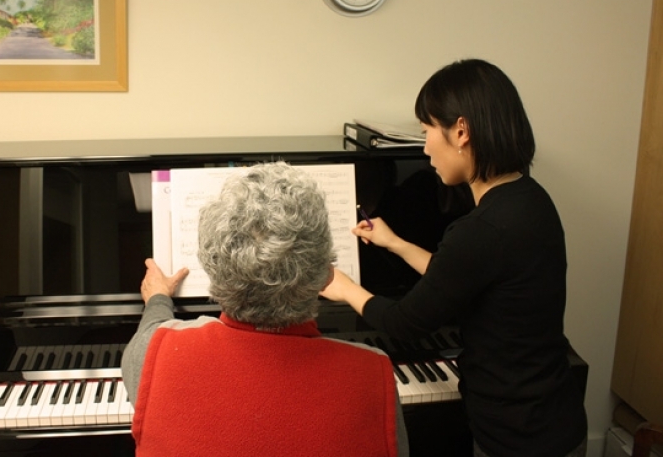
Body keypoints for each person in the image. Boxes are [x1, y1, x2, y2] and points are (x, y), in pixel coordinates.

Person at [321, 59, 588, 457]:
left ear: (461, 131)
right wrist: (396, 243)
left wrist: (345, 288)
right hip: (553, 413)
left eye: (427, 130)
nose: (425, 146)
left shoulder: (480, 229)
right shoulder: (530, 198)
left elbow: (403, 323)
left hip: (516, 436)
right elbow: (461, 277)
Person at [121, 162, 408, 457]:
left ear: (212, 268)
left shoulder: (153, 351)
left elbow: (150, 333)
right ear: (326, 274)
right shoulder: (374, 373)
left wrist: (157, 299)